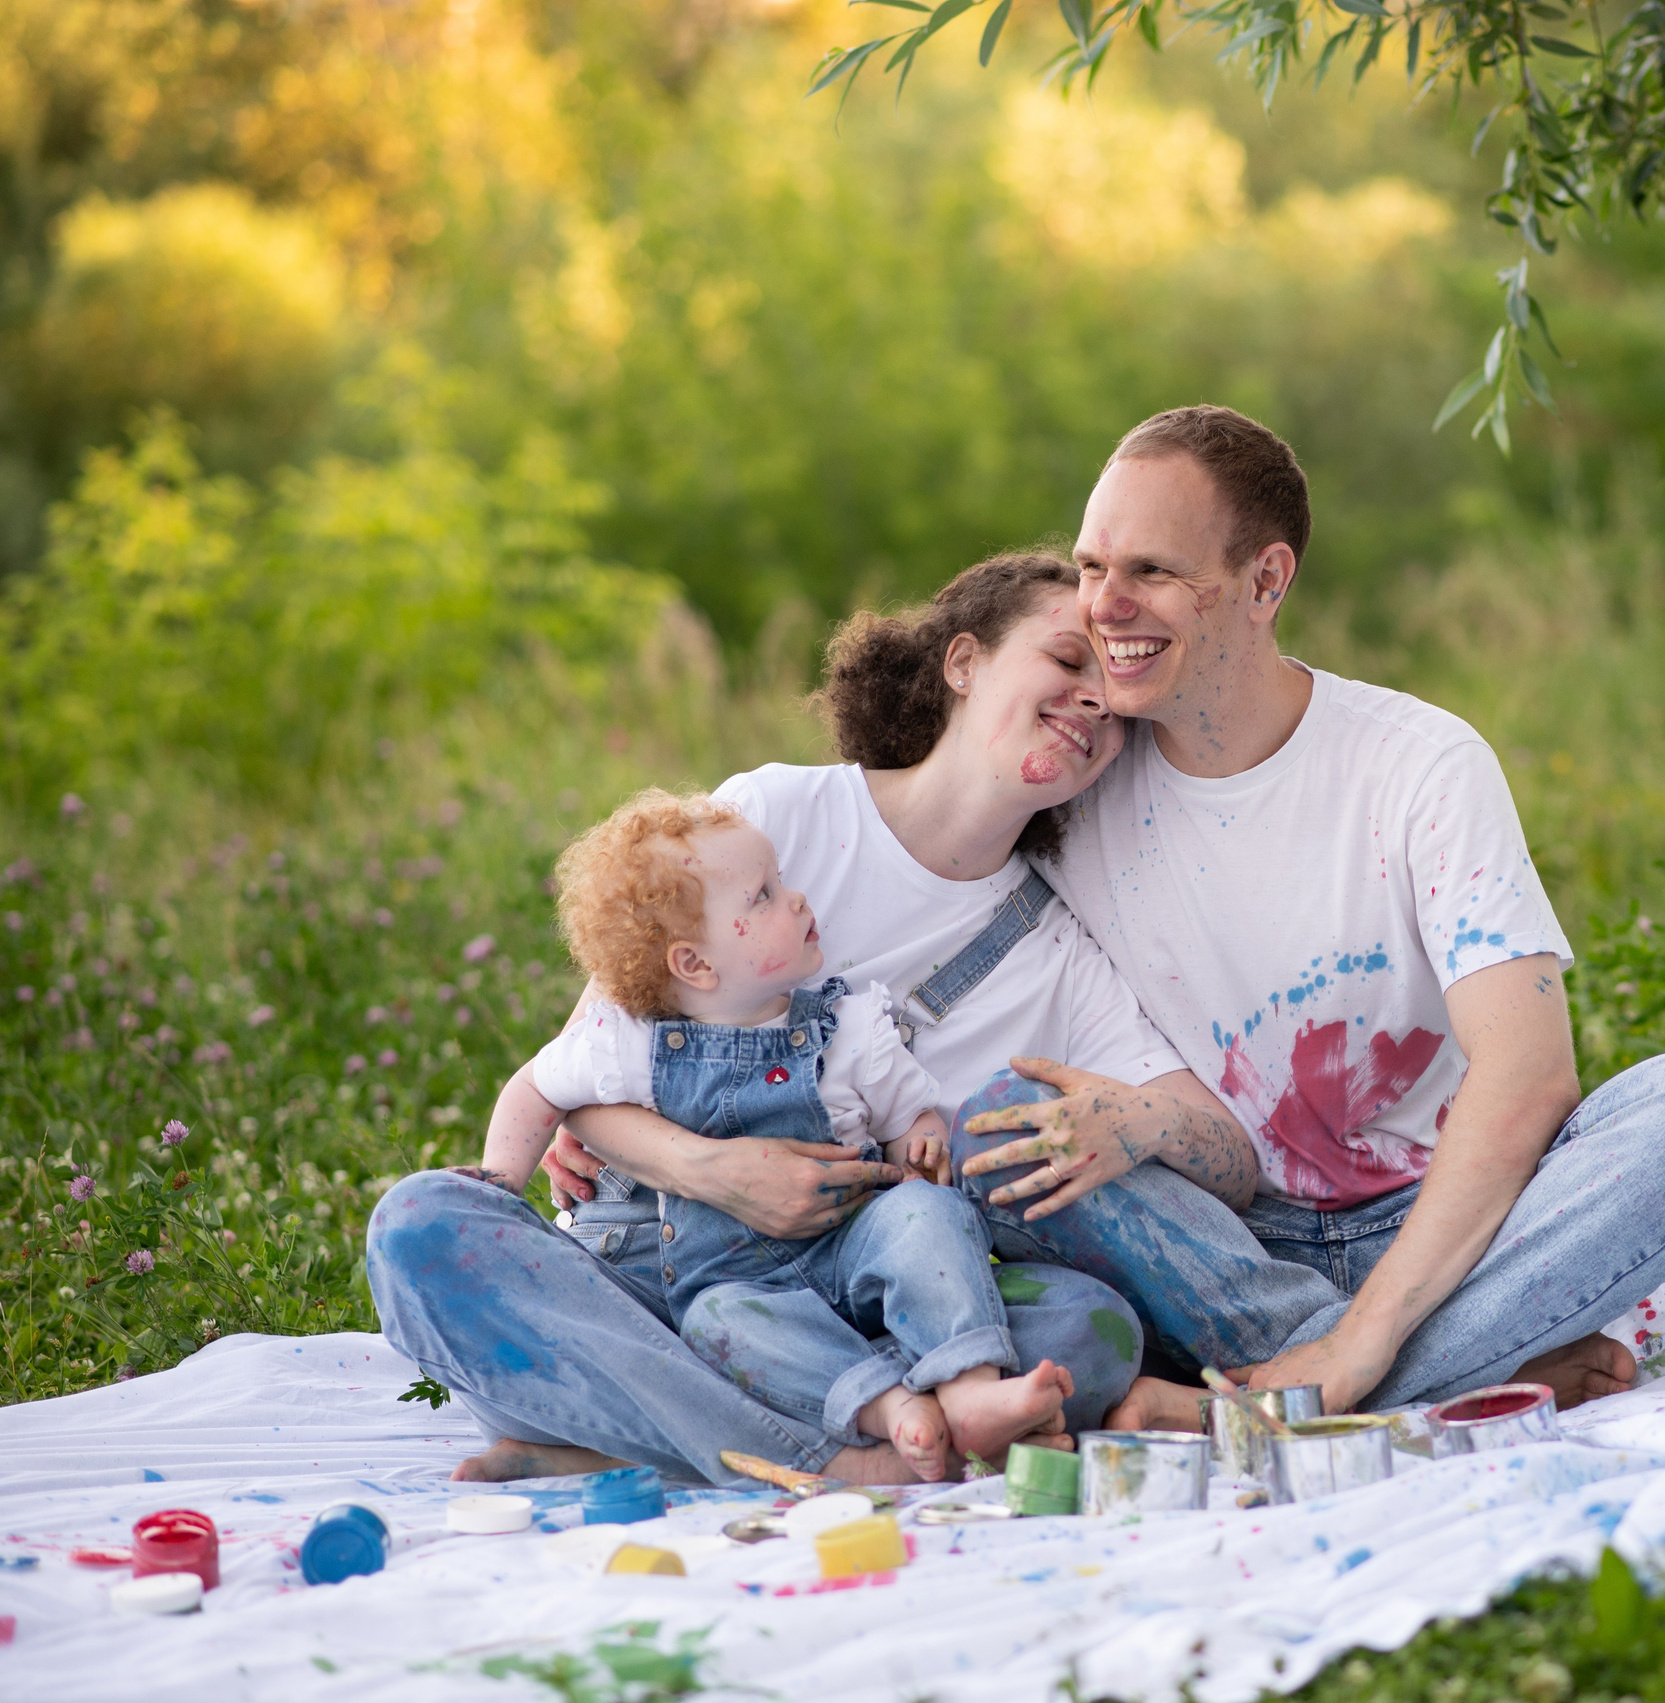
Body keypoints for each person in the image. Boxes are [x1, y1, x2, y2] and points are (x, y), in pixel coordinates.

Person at [367, 554, 1264, 1484]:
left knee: (1090, 1328)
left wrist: (1141, 1120)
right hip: (643, 1277)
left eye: (1112, 703)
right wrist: (715, 1169)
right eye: (1067, 661)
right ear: (963, 661)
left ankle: (638, 1440)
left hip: (849, 1307)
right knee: (419, 1224)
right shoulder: (770, 816)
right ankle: (828, 1459)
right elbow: (591, 1076)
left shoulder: (1057, 949)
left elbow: (1229, 1161)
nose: (1091, 702)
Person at [951, 406, 1665, 1421]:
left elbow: (1528, 1076)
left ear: (1265, 581)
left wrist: (1362, 1336)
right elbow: (907, 828)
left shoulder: (1417, 763)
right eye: (1088, 567)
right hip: (1225, 1246)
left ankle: (1291, 1397)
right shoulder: (1074, 784)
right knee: (996, 1127)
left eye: (1150, 572)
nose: (1103, 606)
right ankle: (1472, 1358)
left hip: (1455, 1219)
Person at [468, 788, 1072, 1481]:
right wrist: (497, 1192)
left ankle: (968, 1389)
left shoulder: (846, 1027)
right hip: (738, 1284)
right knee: (719, 1323)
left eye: (780, 882)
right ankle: (888, 1408)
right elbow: (533, 1090)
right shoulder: (630, 1043)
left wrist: (923, 1145)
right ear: (695, 964)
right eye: (762, 896)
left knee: (930, 1213)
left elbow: (911, 1117)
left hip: (851, 1252)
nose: (797, 900)